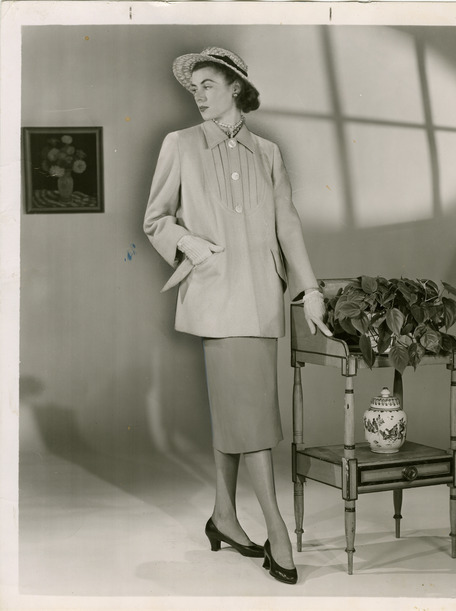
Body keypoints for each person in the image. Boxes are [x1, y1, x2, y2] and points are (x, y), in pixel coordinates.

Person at [144, 47, 331, 585]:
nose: (198, 94)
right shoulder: (180, 144)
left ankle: (224, 516)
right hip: (215, 296)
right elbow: (155, 219)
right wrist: (190, 244)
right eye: (194, 87)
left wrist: (311, 289)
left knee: (238, 409)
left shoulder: (268, 152)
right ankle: (276, 529)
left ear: (234, 88)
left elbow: (288, 225)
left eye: (207, 84)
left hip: (263, 298)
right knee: (249, 413)